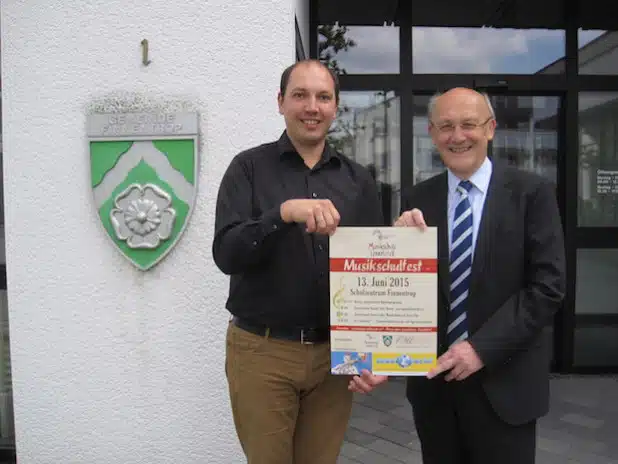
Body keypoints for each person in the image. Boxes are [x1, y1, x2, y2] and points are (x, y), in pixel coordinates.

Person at [348, 87, 566, 464]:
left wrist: (480, 348)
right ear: (432, 133)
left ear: (491, 129)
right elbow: (403, 292)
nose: (457, 136)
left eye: (469, 124)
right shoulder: (418, 198)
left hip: (505, 384)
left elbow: (547, 288)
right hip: (435, 390)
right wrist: (378, 357)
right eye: (446, 126)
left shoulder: (533, 193)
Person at [212, 59, 383, 464]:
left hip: (333, 359)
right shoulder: (247, 169)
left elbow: (373, 273)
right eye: (300, 95)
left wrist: (372, 356)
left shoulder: (358, 180)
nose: (312, 106)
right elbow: (226, 253)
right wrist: (282, 214)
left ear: (336, 107)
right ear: (280, 102)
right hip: (262, 352)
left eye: (323, 97)